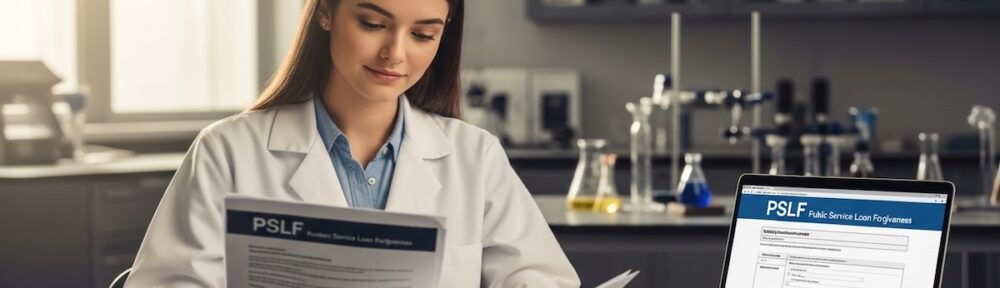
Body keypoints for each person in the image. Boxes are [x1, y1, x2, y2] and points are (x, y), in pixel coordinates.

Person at [124, 0, 580, 287]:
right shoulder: (227, 151)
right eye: (372, 23)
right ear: (325, 11)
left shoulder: (475, 156)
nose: (395, 53)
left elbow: (540, 278)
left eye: (423, 35)